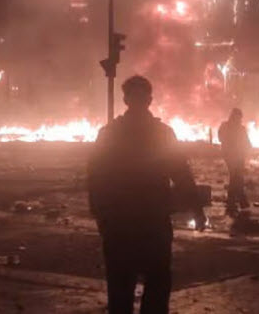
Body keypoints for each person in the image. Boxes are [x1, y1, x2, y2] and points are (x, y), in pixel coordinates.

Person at [87, 75, 206, 314]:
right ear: (149, 100)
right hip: (153, 222)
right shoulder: (163, 134)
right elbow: (181, 174)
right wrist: (197, 210)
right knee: (157, 285)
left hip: (119, 223)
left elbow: (95, 179)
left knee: (120, 287)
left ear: (125, 99)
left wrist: (101, 217)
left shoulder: (109, 134)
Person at [218, 108, 250, 217]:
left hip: (238, 155)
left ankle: (237, 201)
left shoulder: (239, 128)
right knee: (235, 176)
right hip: (230, 155)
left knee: (237, 177)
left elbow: (246, 142)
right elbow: (221, 138)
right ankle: (236, 201)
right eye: (238, 117)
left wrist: (247, 149)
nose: (239, 119)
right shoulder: (226, 126)